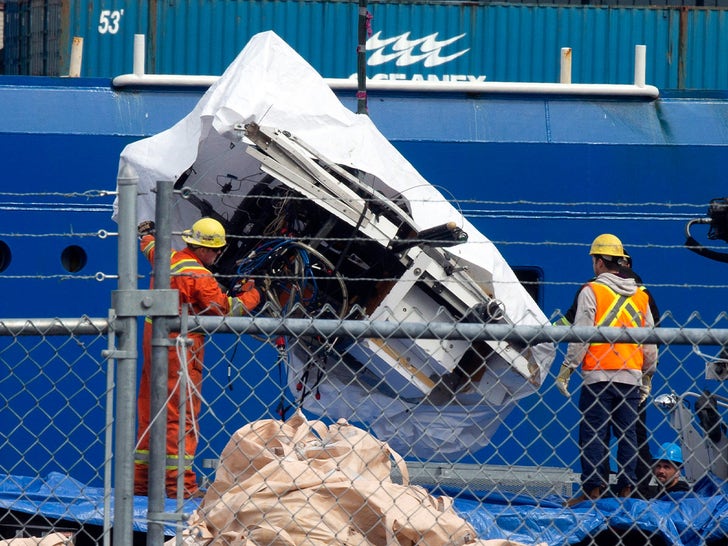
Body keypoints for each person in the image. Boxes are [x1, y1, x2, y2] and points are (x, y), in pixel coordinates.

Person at [134, 217, 261, 498]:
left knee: (149, 414)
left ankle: (140, 485)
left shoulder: (167, 256)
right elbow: (225, 310)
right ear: (204, 249)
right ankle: (180, 487)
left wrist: (146, 233)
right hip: (180, 349)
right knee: (181, 418)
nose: (217, 256)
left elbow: (149, 245)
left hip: (152, 341)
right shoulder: (199, 276)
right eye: (216, 250)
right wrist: (253, 295)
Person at [555, 233, 658, 506]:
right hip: (631, 377)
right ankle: (626, 491)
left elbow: (582, 334)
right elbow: (650, 339)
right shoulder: (641, 295)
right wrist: (648, 374)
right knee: (628, 436)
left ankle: (593, 491)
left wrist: (567, 368)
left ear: (600, 261)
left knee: (593, 434)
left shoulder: (592, 290)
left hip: (598, 377)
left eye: (594, 260)